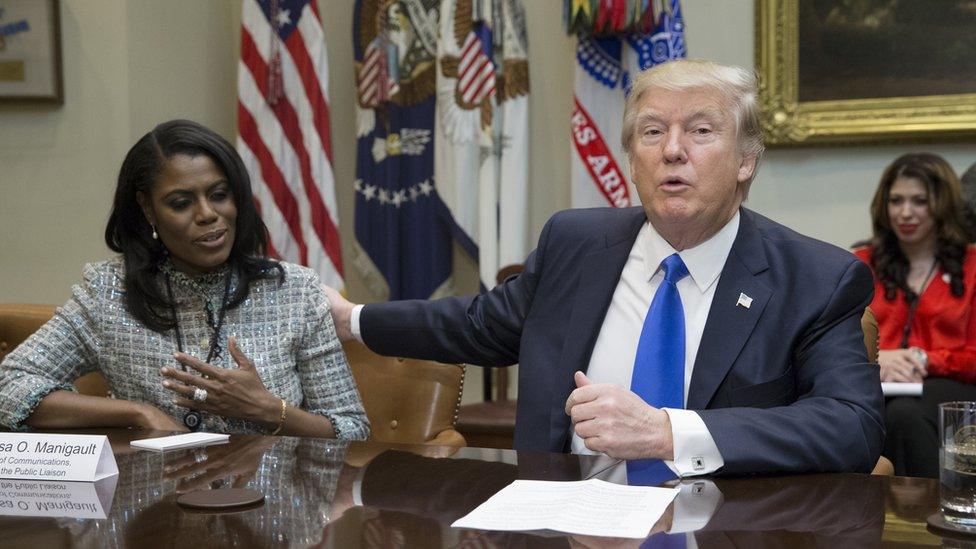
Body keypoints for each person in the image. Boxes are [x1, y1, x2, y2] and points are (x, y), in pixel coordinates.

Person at [327, 59, 884, 475]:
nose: (672, 150)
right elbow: (478, 324)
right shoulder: (576, 243)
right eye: (652, 131)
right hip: (564, 521)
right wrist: (352, 320)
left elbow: (852, 426)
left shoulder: (815, 278)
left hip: (721, 527)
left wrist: (668, 432)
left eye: (701, 130)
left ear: (745, 161)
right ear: (631, 160)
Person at [0, 120, 369, 439]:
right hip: (152, 509)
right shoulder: (109, 293)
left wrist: (269, 410)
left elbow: (353, 429)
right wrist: (136, 413)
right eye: (181, 203)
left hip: (272, 508)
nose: (208, 214)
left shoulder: (294, 291)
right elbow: (9, 387)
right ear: (148, 209)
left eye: (219, 195)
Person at [853, 152, 976, 477]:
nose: (906, 213)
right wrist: (880, 360)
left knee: (904, 414)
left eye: (920, 201)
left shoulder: (972, 266)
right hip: (876, 384)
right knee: (871, 411)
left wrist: (922, 360)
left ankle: (922, 516)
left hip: (953, 386)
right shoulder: (860, 265)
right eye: (896, 201)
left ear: (943, 204)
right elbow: (835, 338)